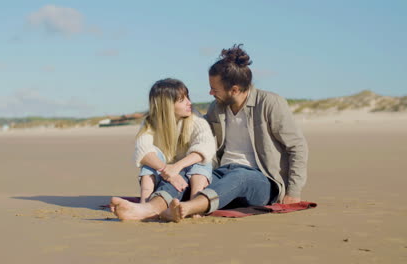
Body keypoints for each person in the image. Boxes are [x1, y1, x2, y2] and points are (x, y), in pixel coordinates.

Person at [110, 45, 308, 222]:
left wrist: (293, 191)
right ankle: (148, 209)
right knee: (186, 175)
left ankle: (187, 208)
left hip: (262, 180)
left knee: (240, 176)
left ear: (234, 89)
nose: (210, 93)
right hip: (221, 172)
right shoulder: (217, 108)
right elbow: (196, 133)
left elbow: (297, 147)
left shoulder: (270, 104)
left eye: (214, 89)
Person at [110, 78, 215, 219]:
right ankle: (144, 203)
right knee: (151, 159)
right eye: (182, 100)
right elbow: (143, 151)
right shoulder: (150, 123)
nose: (189, 103)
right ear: (167, 106)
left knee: (201, 159)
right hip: (166, 176)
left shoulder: (196, 119)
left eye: (187, 97)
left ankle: (195, 206)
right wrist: (168, 171)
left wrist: (176, 168)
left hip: (194, 178)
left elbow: (206, 146)